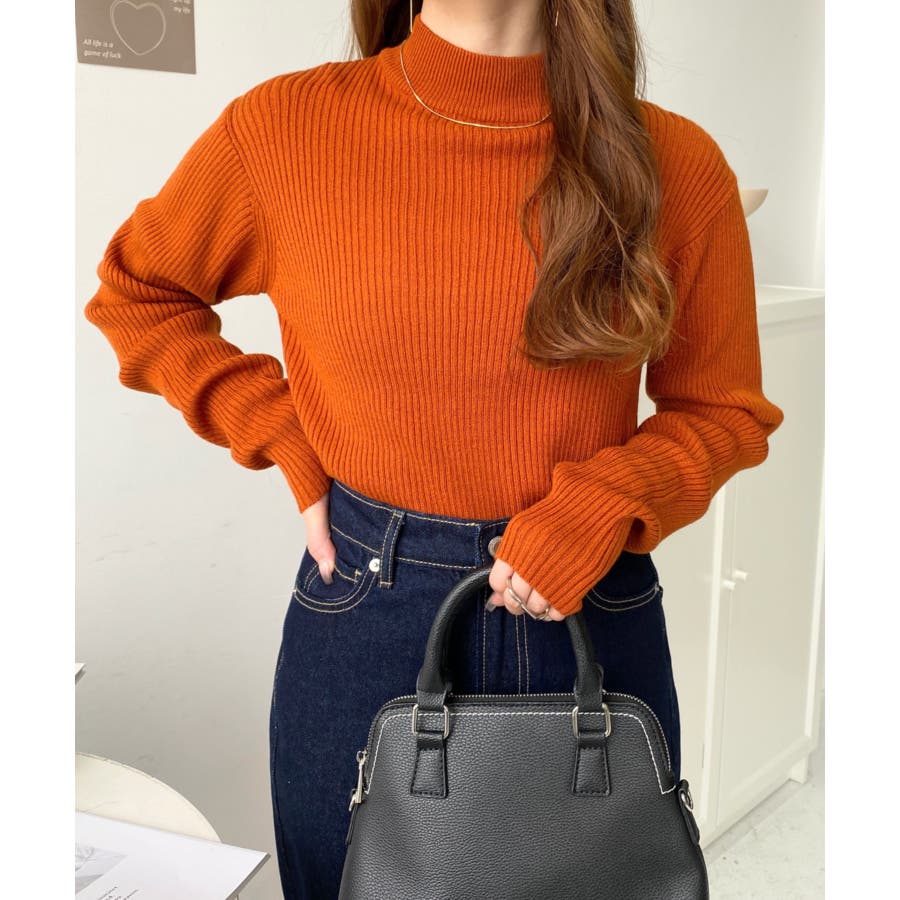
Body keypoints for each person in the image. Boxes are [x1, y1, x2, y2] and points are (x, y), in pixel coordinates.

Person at [83, 1, 785, 897]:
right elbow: (139, 293)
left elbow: (724, 411)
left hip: (591, 608)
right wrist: (282, 430)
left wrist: (601, 504)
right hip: (368, 606)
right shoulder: (284, 129)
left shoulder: (674, 160)